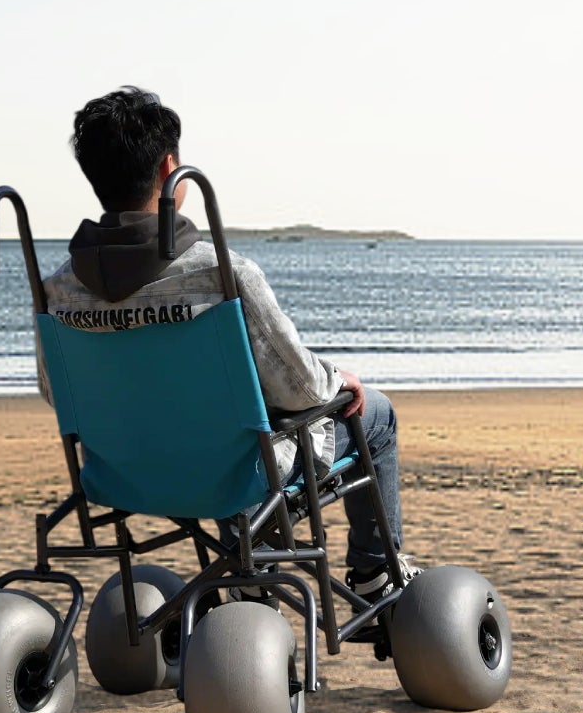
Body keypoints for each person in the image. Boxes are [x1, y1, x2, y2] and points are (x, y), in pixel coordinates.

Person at [38, 85, 411, 598]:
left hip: (124, 475)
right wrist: (337, 380)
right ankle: (374, 577)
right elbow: (300, 389)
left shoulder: (58, 289)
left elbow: (59, 396)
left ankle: (248, 577)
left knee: (225, 428)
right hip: (230, 473)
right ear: (170, 167)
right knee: (374, 415)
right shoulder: (221, 273)